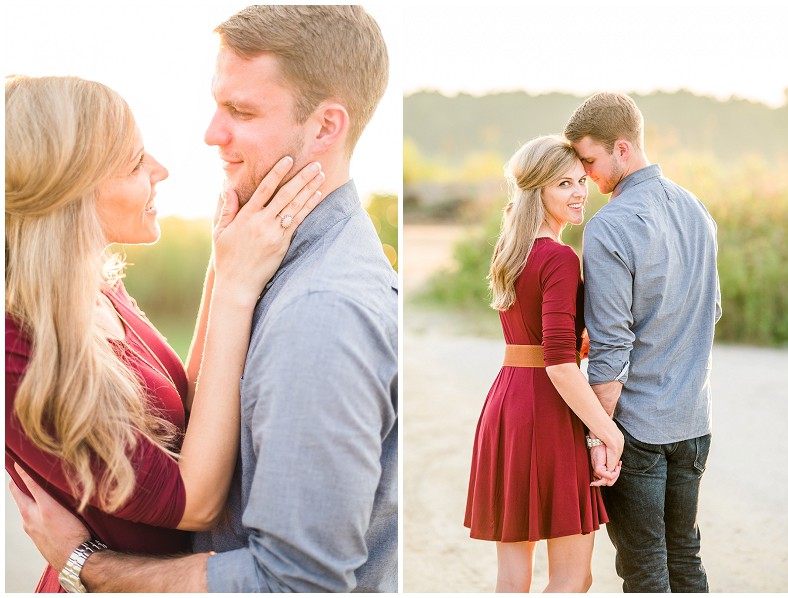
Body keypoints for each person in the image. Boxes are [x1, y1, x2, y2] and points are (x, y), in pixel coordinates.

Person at [9, 4, 398, 593]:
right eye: (135, 162)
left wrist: (85, 562)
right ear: (69, 189)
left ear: (325, 127)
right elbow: (191, 494)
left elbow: (299, 577)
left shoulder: (322, 311)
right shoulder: (23, 342)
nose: (208, 136)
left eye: (240, 110)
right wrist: (231, 282)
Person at [563, 92, 721, 592]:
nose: (586, 175)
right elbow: (709, 311)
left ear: (623, 148)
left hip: (637, 430)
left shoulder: (609, 226)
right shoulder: (697, 211)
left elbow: (611, 353)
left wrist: (598, 437)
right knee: (686, 557)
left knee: (645, 568)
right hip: (693, 423)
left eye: (590, 160)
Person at [464, 135, 624, 593]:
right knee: (573, 580)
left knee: (512, 581)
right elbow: (556, 364)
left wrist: (576, 342)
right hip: (549, 412)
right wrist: (608, 433)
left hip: (507, 407)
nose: (578, 192)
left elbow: (535, 339)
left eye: (580, 181)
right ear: (538, 191)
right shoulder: (558, 256)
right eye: (563, 184)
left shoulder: (509, 251)